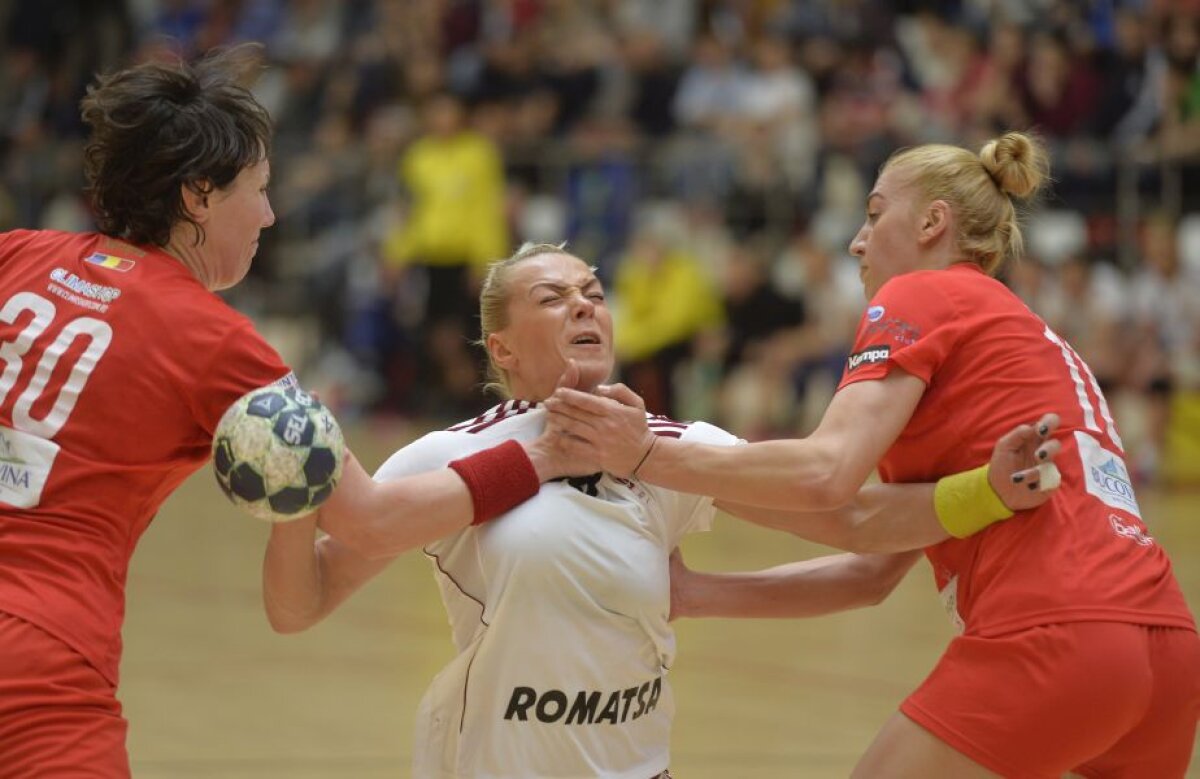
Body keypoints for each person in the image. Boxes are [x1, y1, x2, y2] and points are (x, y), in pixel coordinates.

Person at [263, 242, 1061, 779]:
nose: (585, 306)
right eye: (553, 297)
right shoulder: (448, 456)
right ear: (501, 348)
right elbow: (301, 604)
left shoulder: (671, 448)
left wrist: (983, 491)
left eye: (593, 293)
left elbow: (855, 533)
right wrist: (291, 497)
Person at [545, 131, 1200, 777]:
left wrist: (644, 454)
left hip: (1057, 627)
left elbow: (827, 473)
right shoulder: (1018, 335)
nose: (857, 241)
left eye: (875, 214)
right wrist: (693, 592)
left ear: (932, 223)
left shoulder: (924, 293)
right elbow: (868, 562)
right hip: (1167, 647)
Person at [0, 48, 574, 777]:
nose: (269, 214)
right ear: (198, 195)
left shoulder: (16, 254)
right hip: (38, 654)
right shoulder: (216, 343)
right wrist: (544, 455)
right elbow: (370, 521)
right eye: (260, 189)